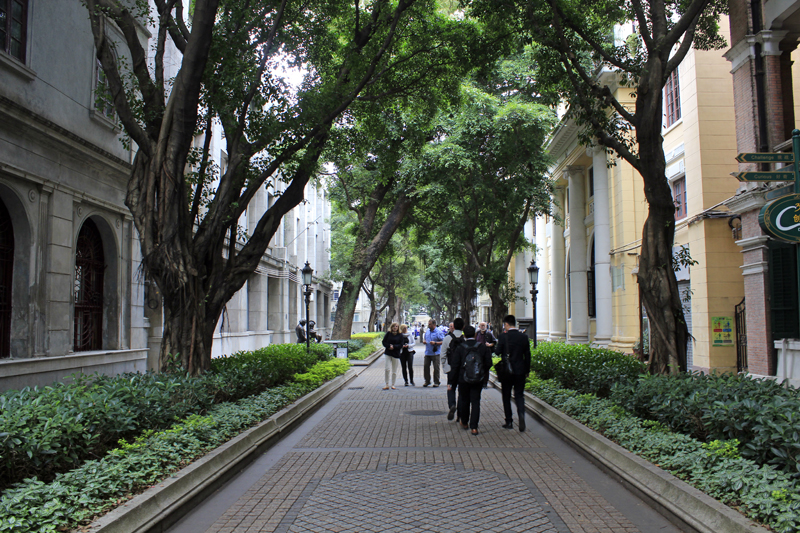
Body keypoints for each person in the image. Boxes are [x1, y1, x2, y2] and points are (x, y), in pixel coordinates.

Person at [451, 325, 492, 435]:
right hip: (478, 379)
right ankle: (474, 427)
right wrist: (481, 371)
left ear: (464, 335)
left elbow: (455, 365)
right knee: (475, 401)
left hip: (463, 379)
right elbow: (489, 363)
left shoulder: (460, 347)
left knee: (464, 400)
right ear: (475, 334)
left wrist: (452, 381)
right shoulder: (482, 347)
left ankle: (464, 422)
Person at [494, 314, 532, 432]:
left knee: (506, 395)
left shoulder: (502, 337)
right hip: (520, 370)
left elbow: (497, 352)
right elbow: (528, 355)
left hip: (507, 371)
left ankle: (509, 421)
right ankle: (521, 415)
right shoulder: (523, 337)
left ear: (506, 324)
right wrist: (527, 370)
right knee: (519, 395)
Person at [441, 318, 465, 420]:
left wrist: (446, 368)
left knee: (451, 388)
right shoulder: (465, 338)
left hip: (451, 369)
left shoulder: (447, 338)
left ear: (453, 326)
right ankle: (460, 414)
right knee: (462, 391)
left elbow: (443, 355)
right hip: (463, 369)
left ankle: (452, 405)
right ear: (463, 326)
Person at [422, 318, 445, 387]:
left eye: (430, 324)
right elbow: (425, 338)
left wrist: (435, 343)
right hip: (428, 352)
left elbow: (443, 341)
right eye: (428, 324)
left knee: (436, 367)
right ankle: (427, 380)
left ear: (434, 324)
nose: (429, 325)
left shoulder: (438, 332)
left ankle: (436, 381)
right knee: (426, 366)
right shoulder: (427, 331)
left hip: (435, 353)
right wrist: (424, 341)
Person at [381, 322, 404, 390]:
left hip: (396, 354)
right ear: (391, 327)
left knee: (394, 371)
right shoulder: (388, 333)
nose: (395, 327)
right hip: (388, 353)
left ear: (398, 328)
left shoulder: (400, 335)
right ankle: (387, 384)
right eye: (394, 326)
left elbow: (401, 344)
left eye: (396, 326)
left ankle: (393, 384)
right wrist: (388, 346)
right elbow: (384, 342)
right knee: (387, 369)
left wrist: (394, 346)